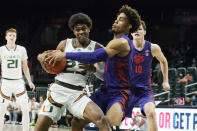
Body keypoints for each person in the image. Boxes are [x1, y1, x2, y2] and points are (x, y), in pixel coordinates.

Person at [45, 5, 141, 130]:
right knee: (77, 122)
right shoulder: (113, 42)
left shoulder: (122, 42)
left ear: (129, 26)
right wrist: (93, 70)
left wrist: (65, 54)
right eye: (117, 18)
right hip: (106, 89)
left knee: (109, 124)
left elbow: (93, 56)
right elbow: (109, 71)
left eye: (121, 19)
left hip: (120, 92)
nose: (116, 21)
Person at [36, 13, 111, 131]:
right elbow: (46, 59)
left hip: (77, 93)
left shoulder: (97, 47)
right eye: (78, 30)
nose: (81, 32)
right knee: (39, 128)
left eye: (84, 29)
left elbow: (105, 77)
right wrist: (41, 58)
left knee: (101, 120)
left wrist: (94, 70)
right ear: (73, 31)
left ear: (89, 29)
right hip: (58, 91)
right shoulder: (65, 44)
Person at [125, 20, 170, 131]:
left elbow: (163, 61)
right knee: (112, 117)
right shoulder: (125, 46)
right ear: (131, 33)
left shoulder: (152, 48)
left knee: (151, 113)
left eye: (139, 29)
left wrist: (165, 80)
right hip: (126, 89)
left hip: (144, 90)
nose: (136, 31)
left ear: (144, 32)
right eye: (134, 29)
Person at [0, 28, 35, 131]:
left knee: (25, 109)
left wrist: (29, 81)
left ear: (16, 37)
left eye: (13, 36)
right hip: (5, 82)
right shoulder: (1, 50)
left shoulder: (22, 49)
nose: (11, 37)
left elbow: (25, 67)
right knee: (1, 111)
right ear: (6, 37)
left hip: (19, 82)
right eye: (10, 35)